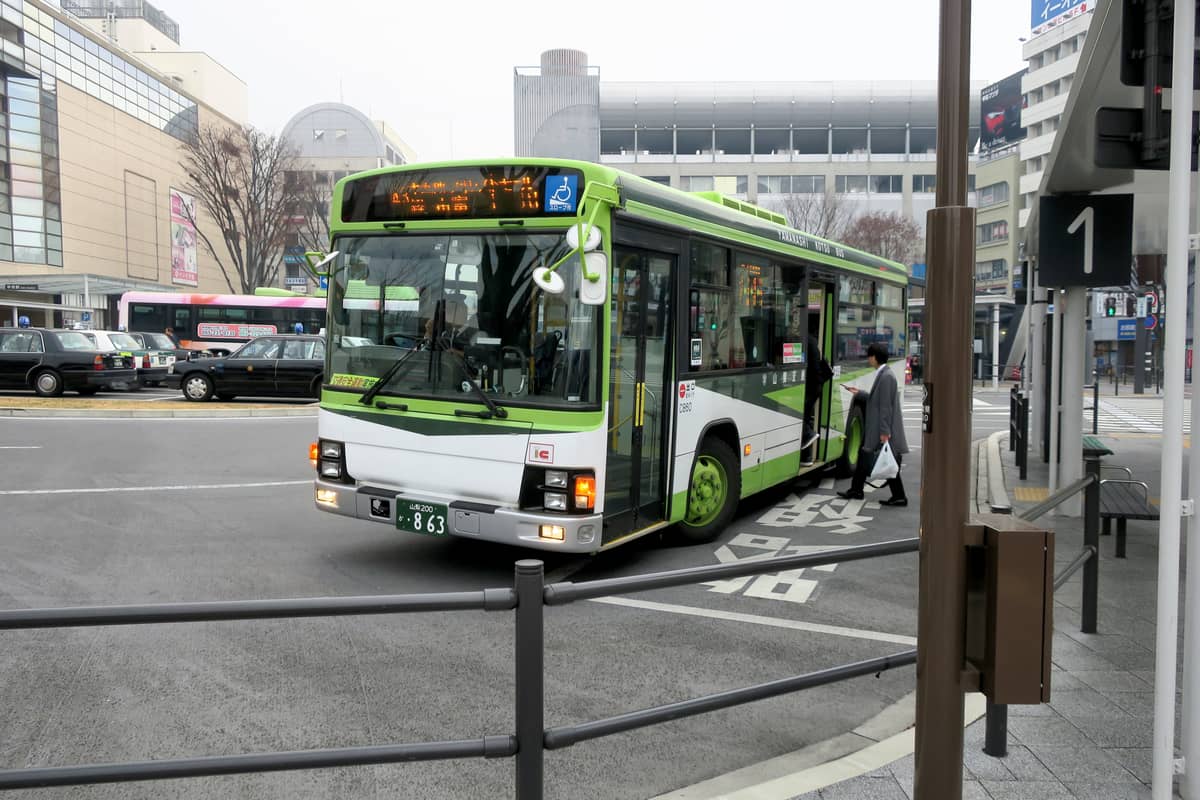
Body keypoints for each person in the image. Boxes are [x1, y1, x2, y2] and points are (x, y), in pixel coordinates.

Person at [837, 342, 909, 506]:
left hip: (880, 428)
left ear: (874, 357)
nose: (869, 360)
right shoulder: (885, 374)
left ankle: (899, 496)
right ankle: (857, 490)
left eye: (869, 356)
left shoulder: (886, 377)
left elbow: (885, 408)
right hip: (877, 427)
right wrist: (860, 394)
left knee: (887, 461)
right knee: (866, 457)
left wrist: (884, 432)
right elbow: (877, 400)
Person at [802, 331, 831, 454]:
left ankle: (808, 434)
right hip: (816, 386)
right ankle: (806, 457)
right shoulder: (812, 340)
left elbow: (813, 367)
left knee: (801, 417)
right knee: (806, 417)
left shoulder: (804, 340)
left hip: (812, 386)